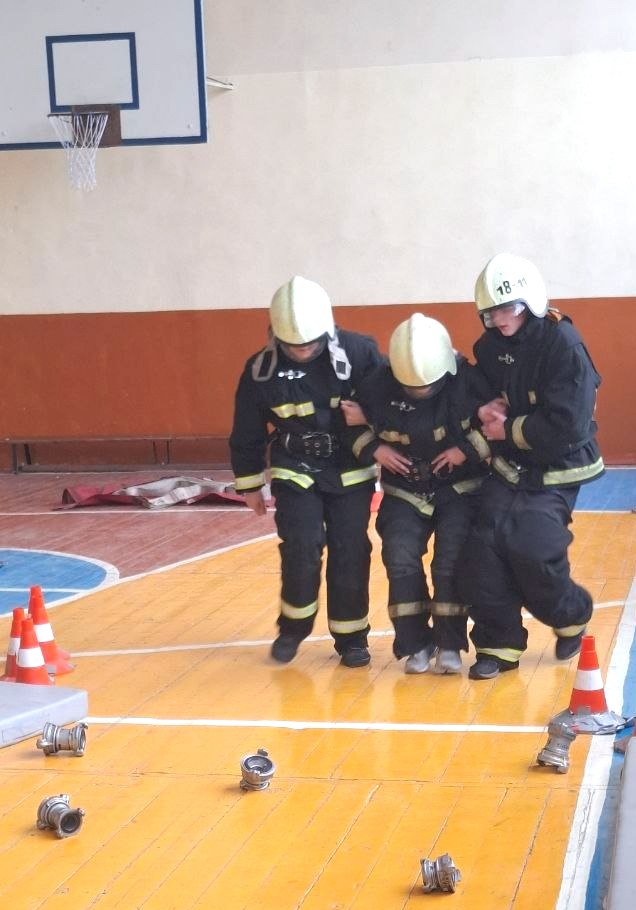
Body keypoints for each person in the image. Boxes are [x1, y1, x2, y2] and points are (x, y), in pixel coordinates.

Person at [458, 253, 604, 680]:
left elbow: (569, 423)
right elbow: (479, 390)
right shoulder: (489, 347)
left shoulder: (563, 345)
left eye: (509, 309)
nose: (500, 320)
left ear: (532, 302)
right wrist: (482, 409)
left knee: (531, 547)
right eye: (491, 313)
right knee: (482, 549)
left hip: (557, 467)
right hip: (510, 466)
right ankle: (497, 646)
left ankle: (571, 615)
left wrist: (507, 430)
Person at [229, 276, 384, 667]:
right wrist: (250, 484)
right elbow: (247, 429)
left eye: (311, 344)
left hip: (350, 469)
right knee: (301, 545)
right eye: (293, 345)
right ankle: (293, 629)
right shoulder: (260, 370)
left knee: (351, 550)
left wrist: (371, 415)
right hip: (294, 468)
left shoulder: (359, 352)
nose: (303, 350)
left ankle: (352, 638)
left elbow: (393, 399)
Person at [342, 313, 490, 674]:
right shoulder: (375, 385)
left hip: (459, 488)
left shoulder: (469, 381)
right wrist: (374, 448)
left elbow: (496, 428)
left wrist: (465, 451)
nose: (419, 392)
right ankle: (416, 644)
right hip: (404, 491)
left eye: (427, 386)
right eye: (410, 387)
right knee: (400, 558)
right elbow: (345, 425)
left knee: (450, 562)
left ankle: (450, 644)